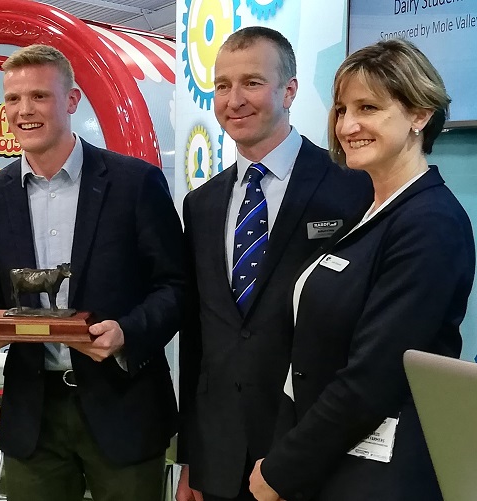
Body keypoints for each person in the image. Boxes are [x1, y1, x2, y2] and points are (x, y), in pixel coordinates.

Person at [248, 38, 475, 501]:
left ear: (419, 115)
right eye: (341, 109)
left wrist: (282, 470)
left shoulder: (431, 223)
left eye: (368, 107)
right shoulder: (370, 212)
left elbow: (373, 378)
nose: (348, 126)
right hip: (332, 461)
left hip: (381, 474)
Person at [0, 44, 184, 501]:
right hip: (33, 416)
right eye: (13, 99)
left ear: (72, 100)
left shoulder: (134, 183)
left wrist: (127, 332)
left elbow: (176, 286)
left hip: (123, 408)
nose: (24, 110)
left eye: (40, 96)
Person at [177, 27, 372, 501]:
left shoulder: (351, 188)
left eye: (252, 82)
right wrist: (190, 457)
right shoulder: (201, 204)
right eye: (222, 85)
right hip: (220, 458)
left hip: (309, 450)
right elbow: (198, 335)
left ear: (289, 90)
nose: (234, 99)